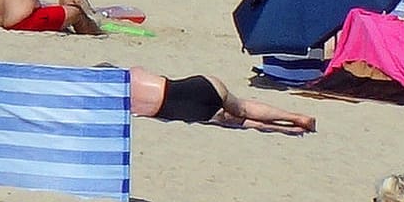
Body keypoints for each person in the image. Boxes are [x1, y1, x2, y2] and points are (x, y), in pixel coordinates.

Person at [128, 68, 316, 133]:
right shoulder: (134, 72)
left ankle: (287, 128)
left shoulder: (122, 104)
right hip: (199, 84)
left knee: (242, 122)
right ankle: (295, 116)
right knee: (242, 107)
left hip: (185, 109)